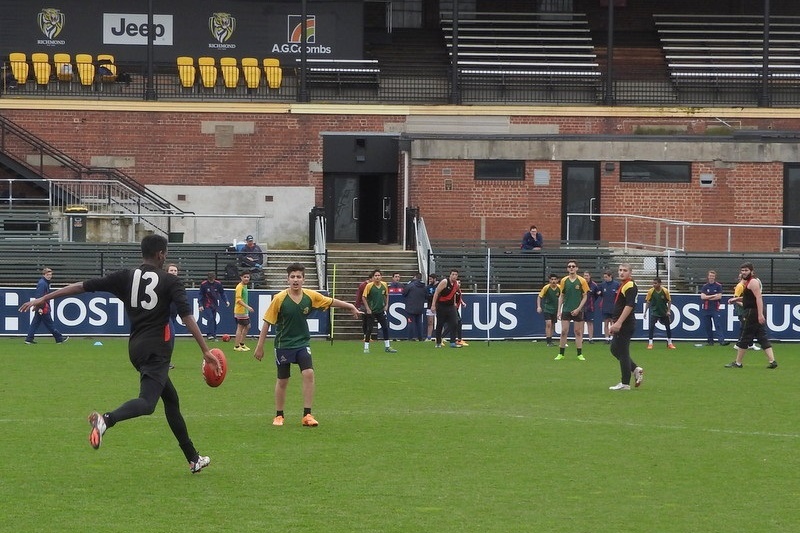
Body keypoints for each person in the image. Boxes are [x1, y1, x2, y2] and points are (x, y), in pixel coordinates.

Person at [19, 235, 221, 472]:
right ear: (161, 255)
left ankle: (193, 458)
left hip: (135, 348)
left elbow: (82, 287)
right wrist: (206, 350)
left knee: (171, 400)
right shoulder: (170, 281)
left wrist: (45, 297)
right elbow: (187, 317)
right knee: (147, 403)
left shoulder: (125, 276)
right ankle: (106, 420)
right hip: (157, 351)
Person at [254, 263, 361, 427]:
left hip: (302, 343)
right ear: (287, 279)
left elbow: (330, 301)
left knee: (309, 373)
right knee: (283, 380)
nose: (295, 280)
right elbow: (267, 323)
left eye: (298, 277)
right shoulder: (279, 298)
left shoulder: (310, 296)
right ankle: (279, 415)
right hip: (283, 344)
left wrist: (350, 306)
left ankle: (307, 415)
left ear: (304, 279)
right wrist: (260, 346)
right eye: (292, 277)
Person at [725, 262, 778, 369]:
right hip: (754, 311)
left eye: (746, 270)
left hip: (752, 312)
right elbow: (750, 298)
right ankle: (772, 361)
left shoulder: (753, 282)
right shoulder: (748, 282)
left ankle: (738, 363)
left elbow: (758, 298)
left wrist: (760, 315)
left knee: (745, 337)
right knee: (761, 336)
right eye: (742, 270)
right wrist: (736, 299)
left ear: (752, 271)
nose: (744, 272)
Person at [608, 263, 644, 391]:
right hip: (622, 323)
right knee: (614, 349)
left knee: (622, 352)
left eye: (625, 270)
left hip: (625, 324)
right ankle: (635, 369)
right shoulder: (624, 285)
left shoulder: (630, 285)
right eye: (620, 270)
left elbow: (629, 306)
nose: (621, 272)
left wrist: (619, 322)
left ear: (630, 273)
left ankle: (625, 383)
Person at [24, 267, 69, 345]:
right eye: (48, 275)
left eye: (50, 275)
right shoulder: (43, 283)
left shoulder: (44, 283)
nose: (49, 276)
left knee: (35, 323)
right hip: (44, 307)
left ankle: (29, 339)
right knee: (49, 324)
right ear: (44, 275)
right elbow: (39, 296)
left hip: (43, 306)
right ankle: (59, 338)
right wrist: (40, 308)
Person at [555, 260, 589, 361]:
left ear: (577, 268)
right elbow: (561, 296)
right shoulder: (564, 280)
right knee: (564, 331)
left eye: (573, 266)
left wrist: (578, 309)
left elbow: (585, 296)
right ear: (567, 268)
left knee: (578, 332)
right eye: (569, 266)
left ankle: (579, 354)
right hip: (566, 309)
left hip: (577, 310)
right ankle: (561, 353)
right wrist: (559, 310)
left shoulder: (582, 281)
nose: (571, 268)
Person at [362, 269, 398, 353]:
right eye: (375, 276)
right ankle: (366, 347)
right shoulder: (369, 286)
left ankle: (387, 346)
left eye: (378, 275)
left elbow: (386, 295)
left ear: (381, 277)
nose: (377, 277)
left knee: (385, 327)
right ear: (373, 277)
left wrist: (386, 305)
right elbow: (364, 297)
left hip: (380, 310)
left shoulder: (384, 284)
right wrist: (367, 308)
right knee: (369, 329)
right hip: (372, 310)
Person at [431, 269, 462, 348]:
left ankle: (452, 342)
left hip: (451, 306)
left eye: (456, 275)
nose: (454, 276)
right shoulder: (444, 282)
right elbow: (436, 293)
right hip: (442, 306)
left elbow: (455, 294)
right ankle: (438, 342)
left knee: (455, 322)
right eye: (453, 274)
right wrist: (433, 305)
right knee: (440, 324)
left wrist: (455, 303)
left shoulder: (456, 284)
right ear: (450, 275)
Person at [700, 270, 729, 346]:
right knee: (707, 325)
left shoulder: (718, 286)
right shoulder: (705, 286)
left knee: (717, 325)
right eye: (710, 276)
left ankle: (721, 341)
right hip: (706, 309)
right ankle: (710, 341)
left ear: (714, 277)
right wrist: (712, 296)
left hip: (715, 308)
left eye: (713, 276)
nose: (711, 277)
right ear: (708, 276)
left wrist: (708, 297)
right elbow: (702, 297)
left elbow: (719, 296)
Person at [645, 278, 675, 349]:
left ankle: (670, 343)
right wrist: (645, 312)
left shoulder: (665, 291)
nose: (654, 285)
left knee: (668, 327)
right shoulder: (650, 291)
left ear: (659, 284)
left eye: (655, 283)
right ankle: (650, 343)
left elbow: (669, 301)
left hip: (663, 312)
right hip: (654, 312)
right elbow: (648, 302)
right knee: (651, 327)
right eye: (653, 283)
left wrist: (668, 311)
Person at [199, 271, 229, 340]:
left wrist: (226, 301)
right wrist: (200, 304)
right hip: (206, 304)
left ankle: (214, 334)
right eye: (210, 279)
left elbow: (222, 293)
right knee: (210, 317)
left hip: (214, 304)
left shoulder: (218, 284)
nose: (211, 280)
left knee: (214, 319)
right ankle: (209, 334)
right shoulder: (204, 284)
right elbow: (200, 295)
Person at [537, 274, 561, 346]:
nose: (553, 281)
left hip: (555, 309)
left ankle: (550, 339)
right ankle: (548, 341)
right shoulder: (546, 288)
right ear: (549, 280)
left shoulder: (560, 288)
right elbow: (539, 297)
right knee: (548, 324)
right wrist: (539, 306)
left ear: (557, 280)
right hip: (547, 308)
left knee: (553, 325)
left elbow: (563, 297)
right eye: (552, 279)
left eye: (555, 279)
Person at [402, 272, 427, 341]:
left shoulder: (410, 285)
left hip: (411, 307)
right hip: (420, 307)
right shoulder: (424, 286)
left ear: (415, 277)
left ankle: (410, 338)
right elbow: (426, 296)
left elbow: (404, 293)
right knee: (419, 323)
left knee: (411, 323)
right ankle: (420, 337)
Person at [233, 271, 254, 351]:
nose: (246, 278)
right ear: (241, 277)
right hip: (240, 311)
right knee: (240, 327)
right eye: (244, 277)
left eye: (248, 277)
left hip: (244, 311)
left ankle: (241, 343)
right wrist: (247, 307)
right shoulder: (240, 287)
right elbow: (238, 300)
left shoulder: (244, 286)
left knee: (247, 326)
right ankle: (237, 346)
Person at [599, 270, 620, 344]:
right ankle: (606, 338)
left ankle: (613, 338)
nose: (605, 278)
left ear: (610, 276)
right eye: (604, 277)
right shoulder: (602, 285)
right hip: (605, 307)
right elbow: (600, 294)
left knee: (613, 323)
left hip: (613, 307)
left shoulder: (617, 284)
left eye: (606, 277)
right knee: (606, 323)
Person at [582, 271, 601, 343]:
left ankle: (590, 339)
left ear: (590, 276)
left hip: (590, 307)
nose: (585, 277)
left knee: (590, 323)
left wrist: (592, 302)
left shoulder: (594, 285)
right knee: (581, 323)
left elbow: (597, 295)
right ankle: (581, 338)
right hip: (581, 307)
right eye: (584, 276)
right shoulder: (581, 284)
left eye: (587, 275)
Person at [425, 273, 438, 340]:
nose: (429, 280)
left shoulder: (439, 286)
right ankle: (429, 337)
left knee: (439, 322)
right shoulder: (428, 287)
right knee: (430, 322)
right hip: (430, 306)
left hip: (439, 306)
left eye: (431, 279)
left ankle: (440, 337)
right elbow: (426, 296)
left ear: (435, 279)